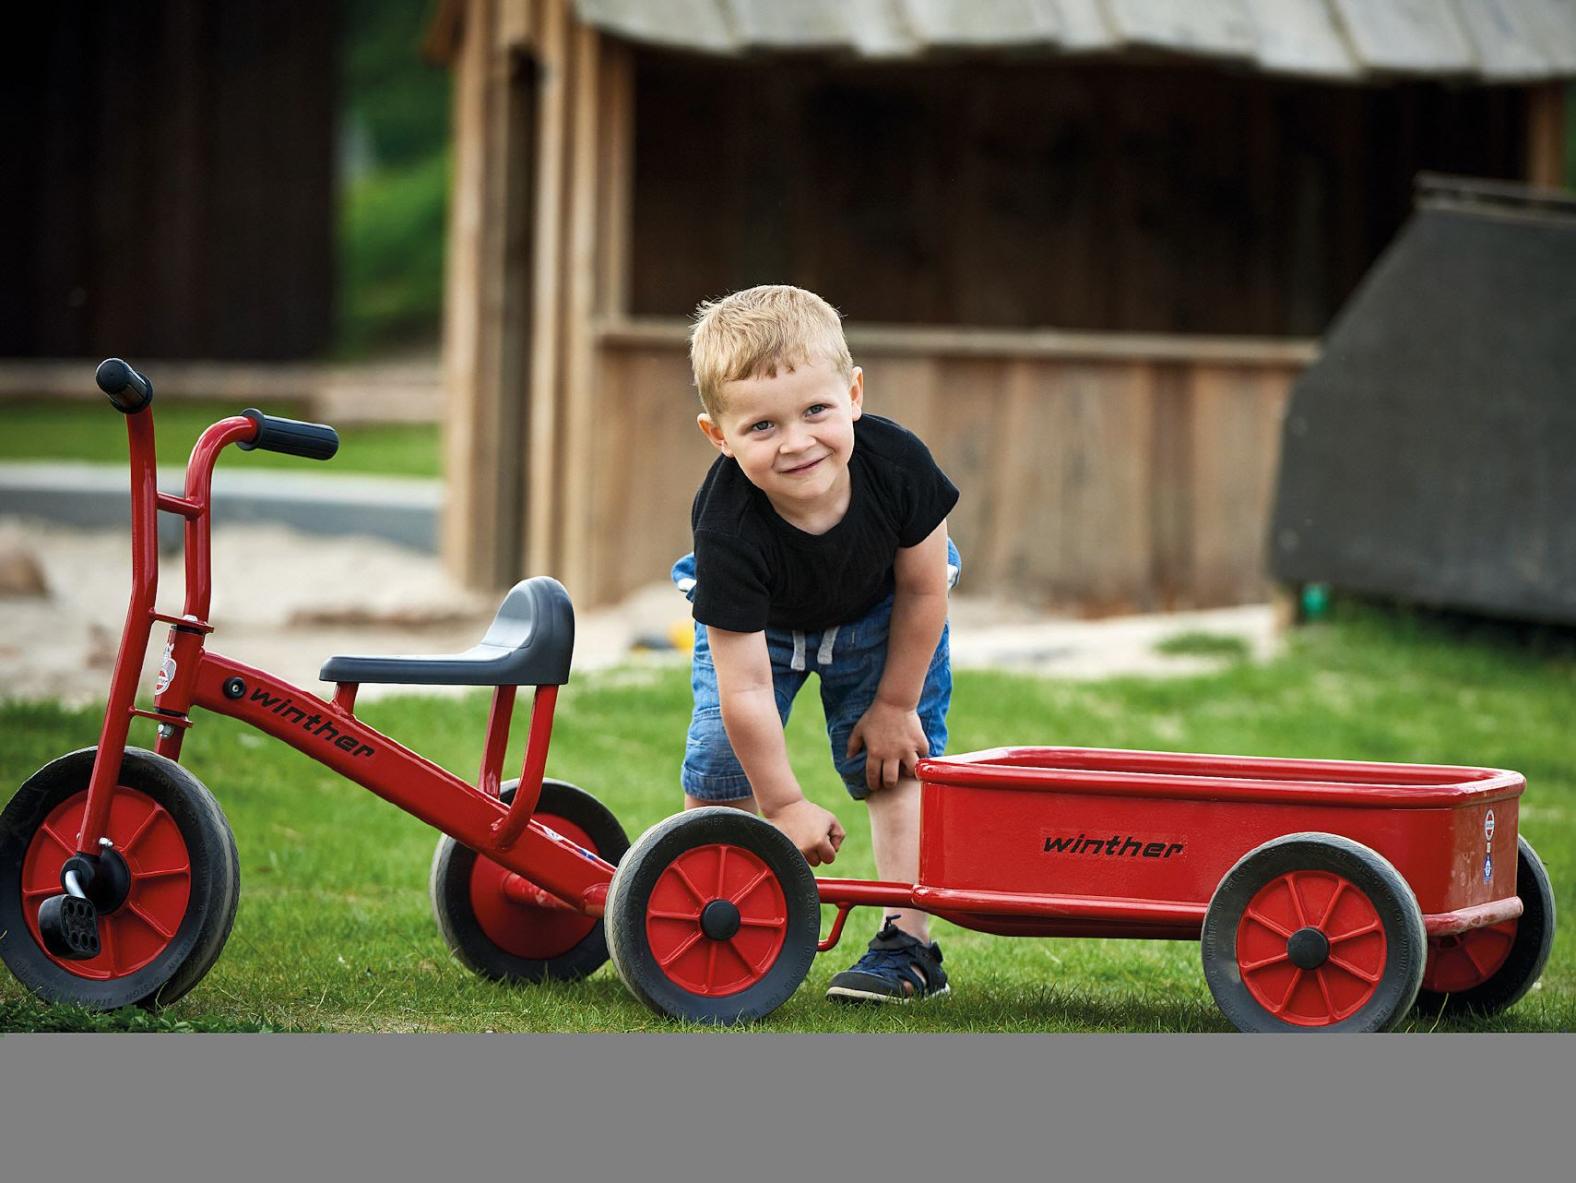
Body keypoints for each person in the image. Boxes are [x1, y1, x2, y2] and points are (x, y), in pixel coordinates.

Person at [672, 284, 961, 1004]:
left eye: (816, 411)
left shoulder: (897, 466)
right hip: (761, 628)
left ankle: (909, 946)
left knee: (898, 761)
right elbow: (742, 688)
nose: (797, 441)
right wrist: (785, 805)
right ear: (720, 436)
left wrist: (895, 702)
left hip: (880, 615)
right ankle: (727, 919)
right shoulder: (728, 525)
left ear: (854, 394)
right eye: (762, 426)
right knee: (717, 761)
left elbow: (926, 589)